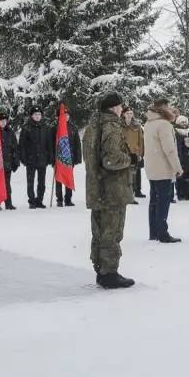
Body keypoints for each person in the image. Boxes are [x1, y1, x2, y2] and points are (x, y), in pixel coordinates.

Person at [83, 92, 135, 289]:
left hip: (97, 187)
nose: (122, 109)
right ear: (114, 108)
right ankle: (109, 273)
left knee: (99, 230)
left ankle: (101, 269)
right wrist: (130, 159)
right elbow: (111, 160)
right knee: (111, 231)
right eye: (120, 106)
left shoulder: (93, 125)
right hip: (112, 188)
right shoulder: (111, 127)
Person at [143, 99, 183, 243]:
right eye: (168, 106)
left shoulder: (148, 123)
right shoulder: (164, 125)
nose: (171, 108)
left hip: (152, 167)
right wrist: (177, 168)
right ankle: (162, 233)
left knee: (154, 200)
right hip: (163, 168)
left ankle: (153, 231)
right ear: (162, 108)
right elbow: (170, 150)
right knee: (163, 201)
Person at [21, 106, 51, 209]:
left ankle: (39, 200)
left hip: (43, 159)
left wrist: (49, 157)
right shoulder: (26, 128)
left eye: (39, 114)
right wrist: (23, 158)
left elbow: (49, 144)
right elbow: (22, 145)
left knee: (41, 183)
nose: (37, 116)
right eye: (35, 114)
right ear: (31, 116)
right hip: (31, 159)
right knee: (31, 182)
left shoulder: (45, 127)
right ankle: (32, 201)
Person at [54, 116, 82, 207]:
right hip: (58, 158)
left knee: (68, 177)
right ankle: (59, 199)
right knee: (59, 179)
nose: (66, 117)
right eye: (63, 115)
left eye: (67, 115)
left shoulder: (73, 128)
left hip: (70, 158)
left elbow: (77, 143)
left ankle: (68, 199)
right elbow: (51, 143)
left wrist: (78, 157)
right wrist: (52, 158)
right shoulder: (55, 128)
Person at [123, 106, 147, 200]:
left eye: (131, 113)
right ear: (123, 114)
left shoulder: (137, 125)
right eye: (127, 113)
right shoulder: (119, 124)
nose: (129, 115)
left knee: (135, 174)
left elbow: (141, 140)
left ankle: (135, 192)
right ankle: (126, 193)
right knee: (125, 174)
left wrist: (140, 153)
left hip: (134, 152)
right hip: (123, 152)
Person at [175, 115, 189, 201]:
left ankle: (188, 194)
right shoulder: (176, 132)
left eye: (185, 122)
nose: (184, 124)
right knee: (179, 177)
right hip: (179, 156)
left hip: (188, 158)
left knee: (188, 176)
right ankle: (180, 194)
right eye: (182, 122)